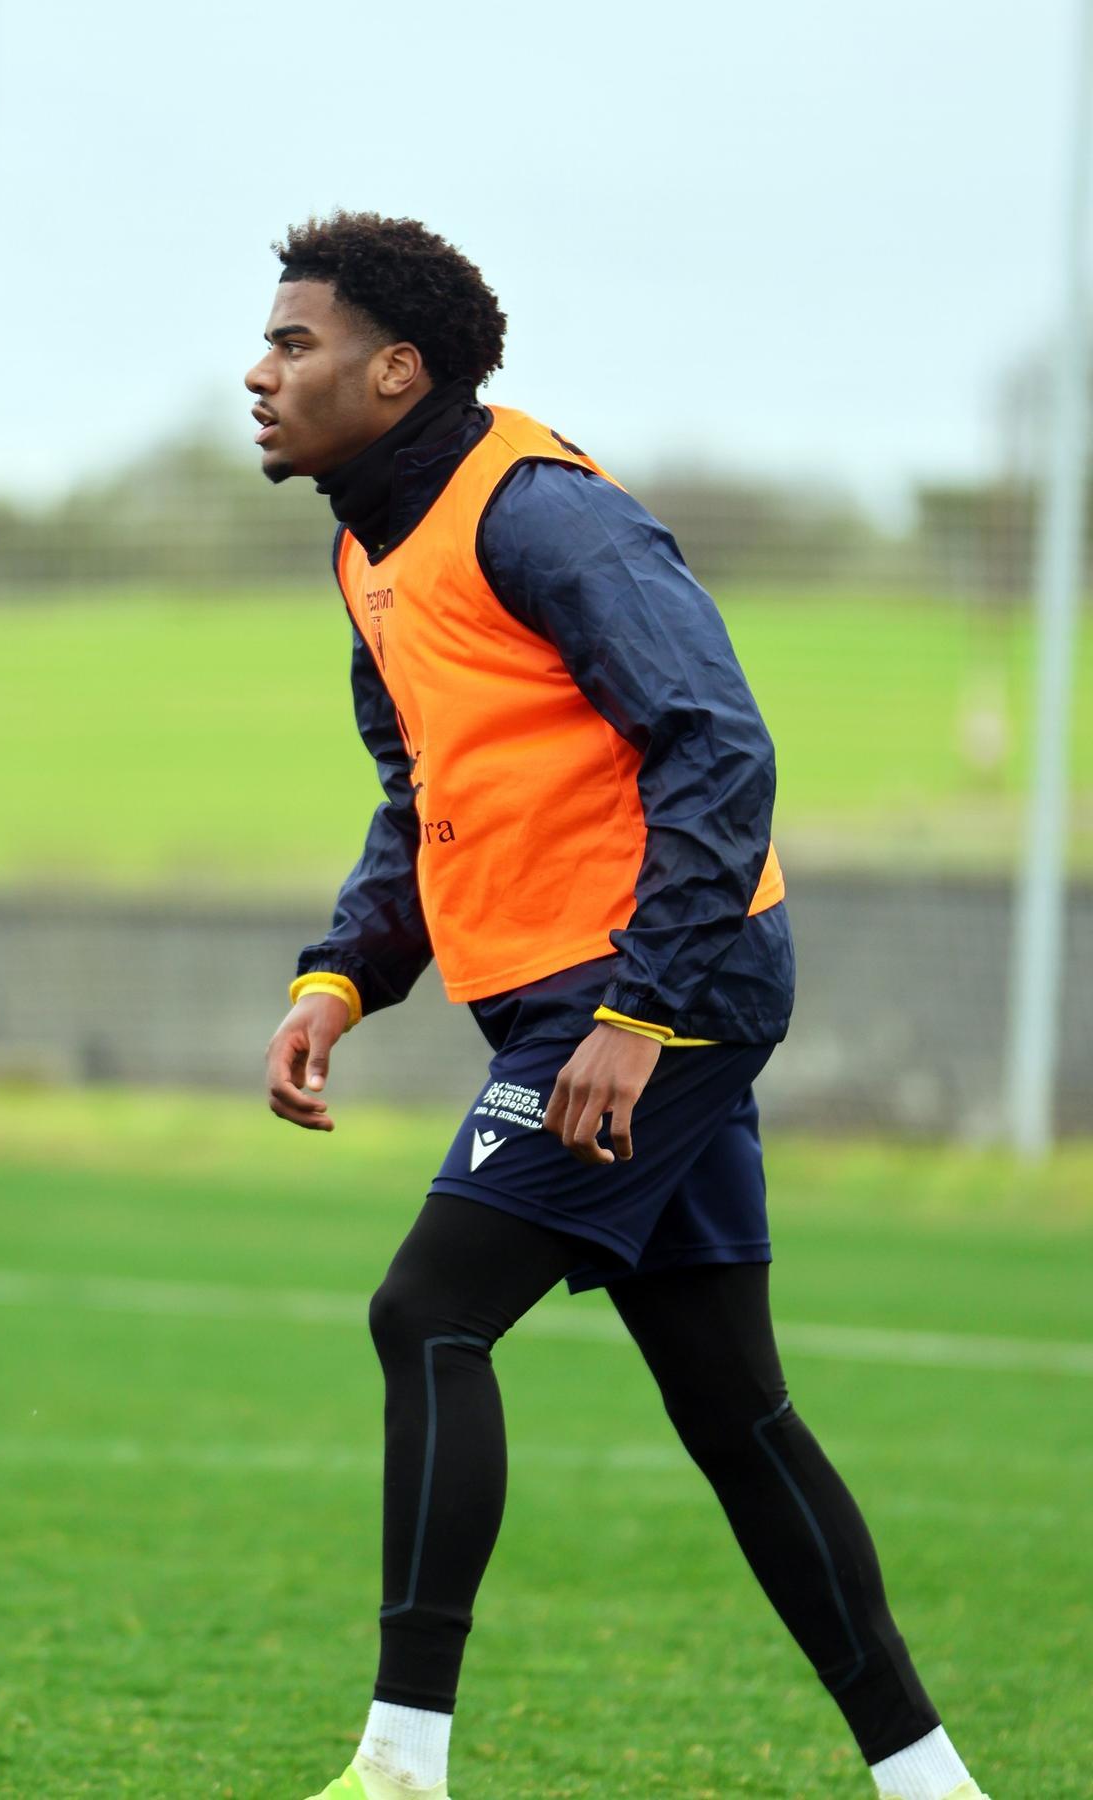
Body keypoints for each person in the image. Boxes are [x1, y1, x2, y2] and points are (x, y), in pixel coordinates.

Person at [245, 210, 989, 1800]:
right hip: (576, 1002)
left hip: (659, 990)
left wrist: (639, 1017)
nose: (261, 373)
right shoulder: (368, 550)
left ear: (397, 370)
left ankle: (399, 1765)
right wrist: (341, 976)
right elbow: (423, 795)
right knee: (735, 1409)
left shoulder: (545, 515)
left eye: (294, 344)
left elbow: (718, 745)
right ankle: (932, 1782)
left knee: (427, 1313)